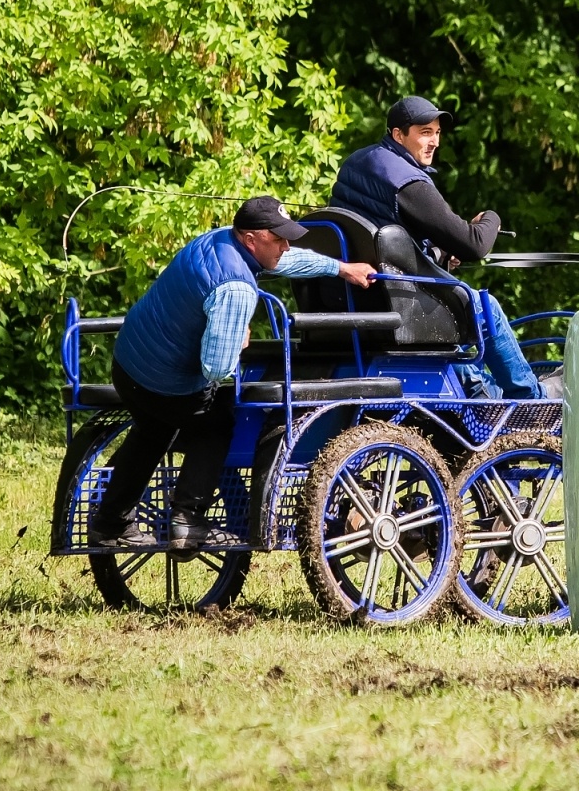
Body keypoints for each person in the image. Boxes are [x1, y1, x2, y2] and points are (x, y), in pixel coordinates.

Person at [88, 197, 377, 549]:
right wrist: (238, 341)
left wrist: (341, 268)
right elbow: (216, 368)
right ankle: (188, 521)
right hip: (165, 380)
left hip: (128, 364)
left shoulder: (220, 239)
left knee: (153, 430)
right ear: (251, 239)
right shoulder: (236, 287)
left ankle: (110, 523)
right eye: (279, 239)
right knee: (215, 424)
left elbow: (286, 260)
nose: (286, 246)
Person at [330, 95, 541, 399]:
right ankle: (531, 399)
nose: (435, 142)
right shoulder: (406, 181)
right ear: (398, 135)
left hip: (356, 299)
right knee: (486, 309)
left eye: (437, 132)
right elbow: (474, 244)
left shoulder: (358, 163)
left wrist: (438, 254)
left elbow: (383, 236)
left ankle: (478, 393)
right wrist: (490, 218)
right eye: (425, 132)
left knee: (450, 311)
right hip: (396, 303)